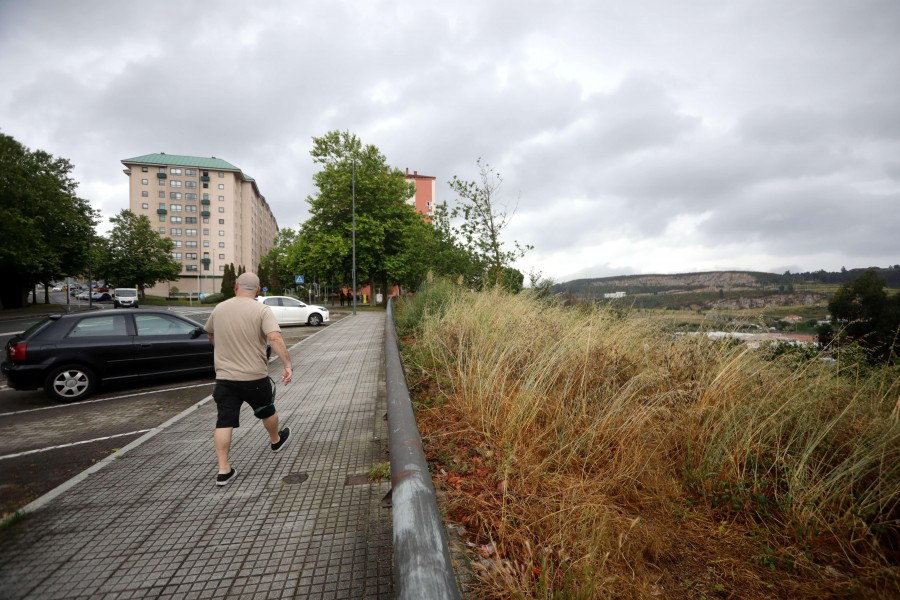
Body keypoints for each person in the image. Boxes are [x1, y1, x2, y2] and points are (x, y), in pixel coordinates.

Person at [205, 272, 293, 486]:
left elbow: (210, 334)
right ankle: (275, 441)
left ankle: (223, 470)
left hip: (225, 377)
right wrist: (287, 364)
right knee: (266, 409)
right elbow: (274, 336)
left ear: (235, 286)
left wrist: (223, 350)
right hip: (254, 376)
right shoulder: (261, 309)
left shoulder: (220, 308)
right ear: (259, 289)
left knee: (224, 421)